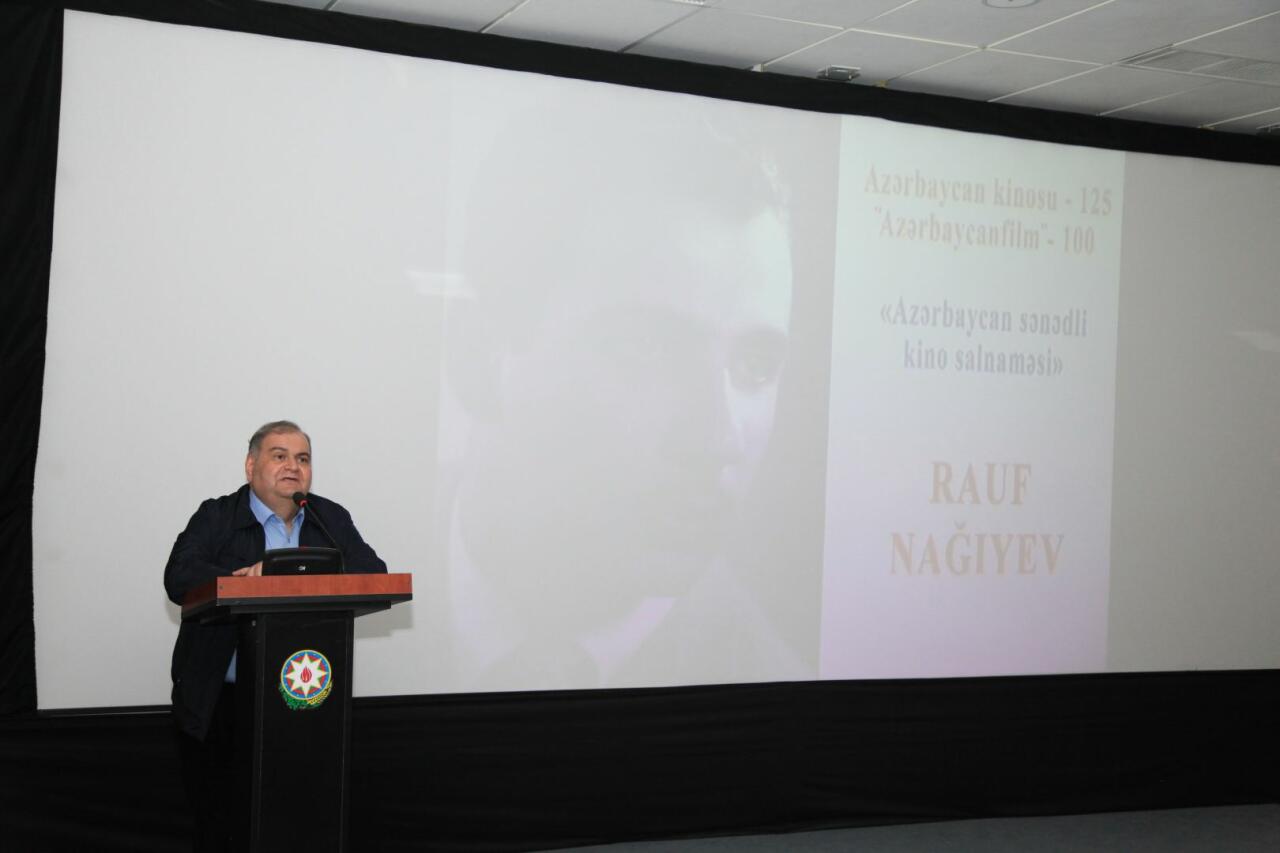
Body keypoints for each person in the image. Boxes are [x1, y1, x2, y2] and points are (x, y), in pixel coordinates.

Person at [438, 97, 813, 691]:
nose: (718, 440)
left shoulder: (777, 702)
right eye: (646, 348)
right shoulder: (324, 559)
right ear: (478, 357)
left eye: (755, 366)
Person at [164, 420, 385, 851]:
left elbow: (373, 573)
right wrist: (245, 580)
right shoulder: (217, 515)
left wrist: (304, 577)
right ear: (251, 466)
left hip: (306, 703)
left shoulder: (328, 518)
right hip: (223, 704)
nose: (293, 467)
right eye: (279, 456)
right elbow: (179, 575)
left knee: (297, 822)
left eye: (302, 458)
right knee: (224, 829)